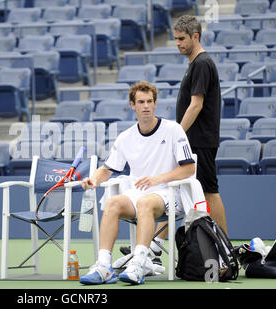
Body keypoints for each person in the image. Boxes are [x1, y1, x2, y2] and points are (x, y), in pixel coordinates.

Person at [79, 81, 196, 285]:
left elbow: (189, 168)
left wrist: (158, 178)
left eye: (150, 101)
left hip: (168, 194)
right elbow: (107, 169)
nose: (146, 106)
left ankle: (138, 264)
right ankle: (104, 266)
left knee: (145, 203)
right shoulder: (126, 137)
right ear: (132, 105)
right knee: (112, 203)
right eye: (141, 102)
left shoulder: (173, 130)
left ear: (155, 103)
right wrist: (94, 179)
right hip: (138, 193)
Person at [151, 15, 229, 257]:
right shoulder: (195, 64)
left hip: (200, 141)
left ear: (196, 36)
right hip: (193, 141)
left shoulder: (203, 63)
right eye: (175, 39)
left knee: (209, 192)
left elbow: (196, 104)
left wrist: (176, 134)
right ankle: (155, 242)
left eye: (182, 38)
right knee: (181, 190)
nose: (177, 43)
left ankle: (225, 249)